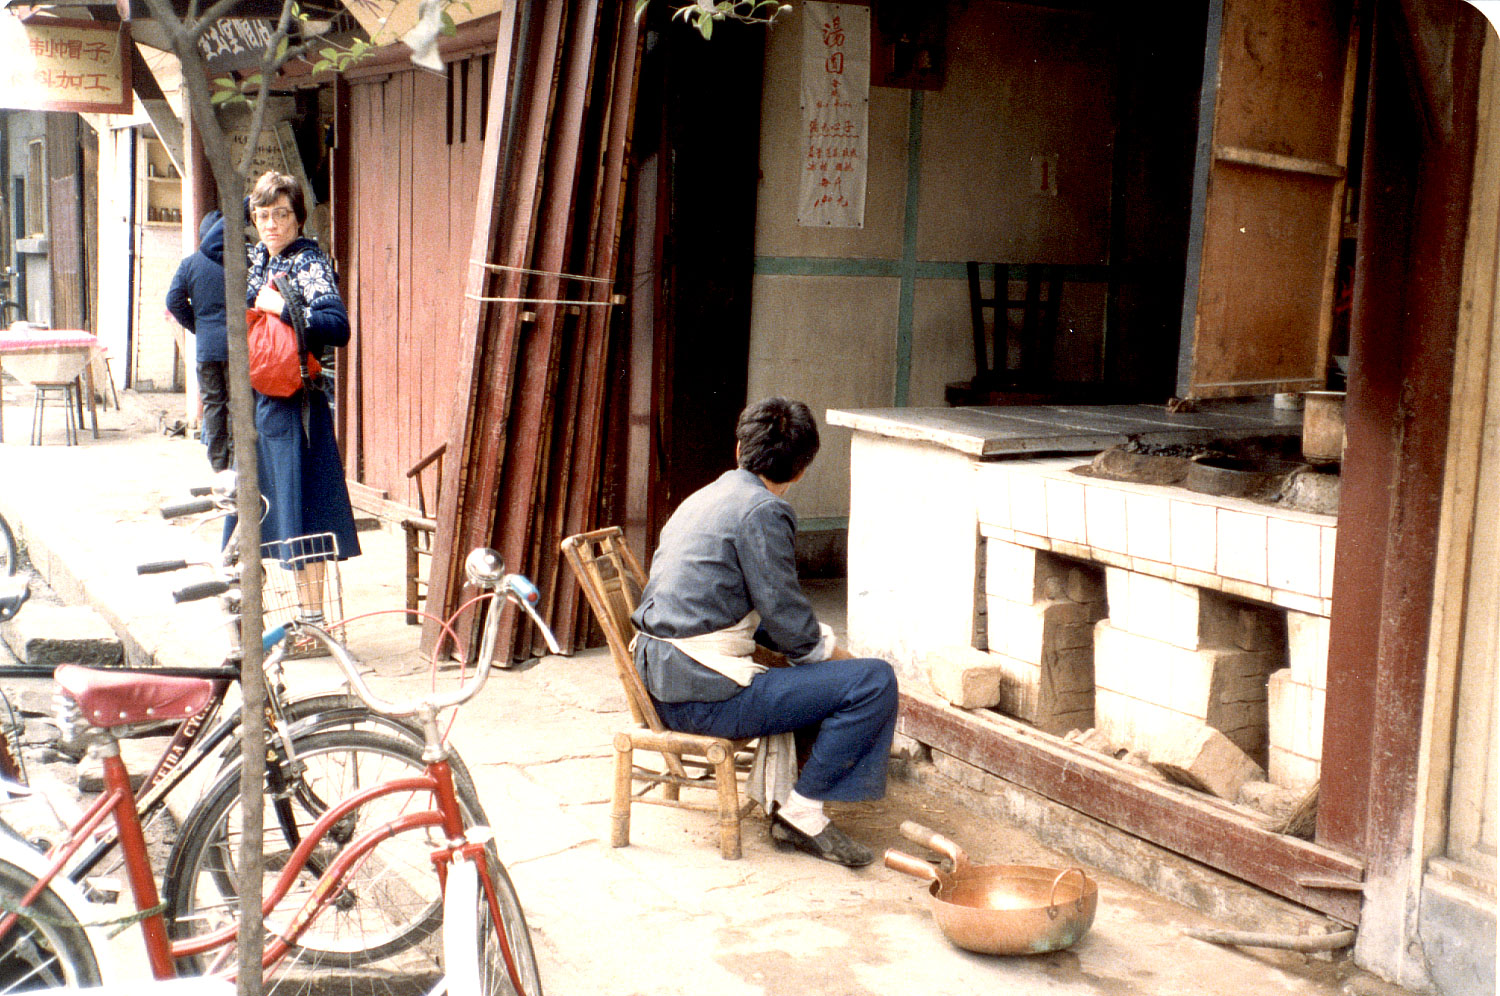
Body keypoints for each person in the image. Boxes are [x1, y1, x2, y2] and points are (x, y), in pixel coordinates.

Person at [631, 397, 898, 867]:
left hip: (661, 677)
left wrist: (819, 652)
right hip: (699, 696)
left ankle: (797, 795)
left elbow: (768, 618)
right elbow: (788, 624)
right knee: (873, 681)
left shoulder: (705, 496)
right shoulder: (762, 511)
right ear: (801, 470)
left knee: (824, 669)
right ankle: (801, 813)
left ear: (738, 449)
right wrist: (837, 657)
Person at [246, 171, 360, 644]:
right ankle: (258, 624)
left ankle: (312, 623)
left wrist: (280, 308)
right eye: (263, 215)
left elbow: (337, 325)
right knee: (255, 513)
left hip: (299, 407)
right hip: (260, 403)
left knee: (305, 517)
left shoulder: (309, 262)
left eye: (281, 215)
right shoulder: (258, 258)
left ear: (298, 218)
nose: (271, 224)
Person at [165, 209, 233, 472]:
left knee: (214, 405)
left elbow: (173, 301)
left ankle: (219, 468)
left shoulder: (191, 264)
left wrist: (198, 326)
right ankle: (239, 466)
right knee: (239, 406)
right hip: (239, 349)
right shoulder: (241, 263)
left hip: (207, 349)